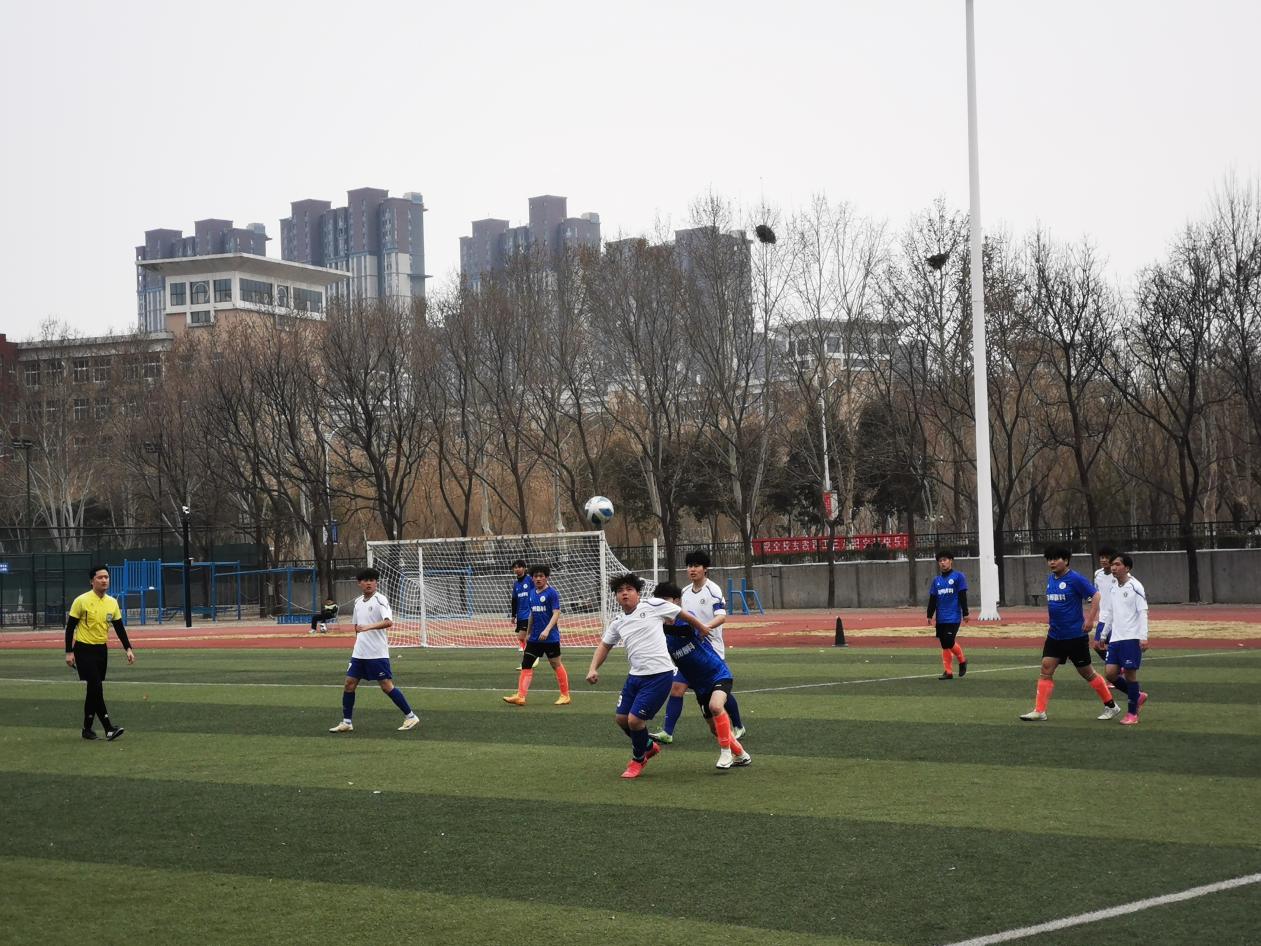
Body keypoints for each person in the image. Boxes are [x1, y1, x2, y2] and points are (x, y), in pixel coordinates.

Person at [586, 573, 713, 779]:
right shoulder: (618, 622)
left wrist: (701, 627)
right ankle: (647, 745)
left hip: (659, 675)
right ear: (616, 596)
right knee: (621, 719)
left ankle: (638, 760)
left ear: (638, 593)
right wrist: (593, 668)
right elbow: (605, 645)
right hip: (635, 676)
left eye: (629, 589)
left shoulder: (653, 605)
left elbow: (680, 613)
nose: (625, 593)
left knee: (635, 721)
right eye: (620, 591)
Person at [650, 549, 744, 744]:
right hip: (689, 649)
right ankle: (667, 732)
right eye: (689, 566)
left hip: (711, 649)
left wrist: (703, 628)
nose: (692, 570)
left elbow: (722, 616)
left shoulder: (713, 590)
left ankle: (737, 726)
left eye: (696, 566)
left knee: (717, 692)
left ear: (705, 569)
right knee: (677, 688)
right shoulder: (683, 593)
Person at [655, 581, 751, 769]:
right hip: (699, 684)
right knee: (714, 728)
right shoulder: (659, 631)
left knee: (716, 706)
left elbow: (686, 631)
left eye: (666, 600)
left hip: (717, 673)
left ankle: (726, 753)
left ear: (677, 602)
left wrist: (657, 627)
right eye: (659, 601)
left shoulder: (687, 619)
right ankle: (741, 754)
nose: (663, 605)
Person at [1020, 546, 1121, 722]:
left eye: (1056, 559)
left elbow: (1096, 596)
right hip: (1055, 635)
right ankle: (1040, 710)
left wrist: (1090, 620)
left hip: (1075, 636)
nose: (1052, 562)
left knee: (1087, 673)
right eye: (1049, 559)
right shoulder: (1051, 579)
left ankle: (1111, 706)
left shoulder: (1075, 579)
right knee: (1046, 668)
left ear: (1066, 560)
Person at [328, 567, 419, 733]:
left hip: (376, 653)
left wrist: (368, 627)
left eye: (372, 580)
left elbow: (388, 622)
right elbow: (357, 626)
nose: (369, 583)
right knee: (349, 684)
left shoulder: (380, 599)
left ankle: (411, 716)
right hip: (359, 653)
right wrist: (359, 639)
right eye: (365, 580)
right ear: (359, 583)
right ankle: (347, 722)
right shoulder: (357, 602)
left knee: (386, 686)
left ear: (376, 582)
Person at [65, 565, 135, 741]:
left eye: (106, 577)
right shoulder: (81, 601)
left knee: (93, 689)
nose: (104, 580)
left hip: (101, 650)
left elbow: (119, 627)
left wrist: (128, 648)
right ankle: (108, 728)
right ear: (92, 581)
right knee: (96, 687)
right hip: (83, 649)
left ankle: (87, 729)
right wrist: (69, 652)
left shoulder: (112, 602)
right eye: (100, 577)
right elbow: (70, 628)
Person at [503, 564, 571, 706]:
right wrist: (528, 633)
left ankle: (565, 695)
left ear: (546, 578)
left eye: (541, 576)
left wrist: (547, 630)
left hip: (550, 637)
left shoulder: (552, 593)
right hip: (534, 637)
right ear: (532, 578)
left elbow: (556, 613)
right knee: (526, 663)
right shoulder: (532, 593)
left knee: (555, 664)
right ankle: (521, 696)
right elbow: (532, 615)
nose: (538, 578)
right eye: (536, 576)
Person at [1098, 553, 1150, 725]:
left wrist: (1143, 637)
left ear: (1127, 568)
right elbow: (1110, 613)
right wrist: (1103, 635)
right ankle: (1138, 696)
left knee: (1130, 675)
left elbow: (1143, 612)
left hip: (1131, 638)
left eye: (1117, 564)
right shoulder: (1114, 587)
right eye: (1112, 564)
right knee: (1111, 674)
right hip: (1115, 639)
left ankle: (1132, 714)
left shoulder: (1135, 586)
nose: (1113, 567)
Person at [926, 549, 969, 679]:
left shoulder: (958, 577)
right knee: (944, 644)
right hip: (941, 617)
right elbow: (933, 599)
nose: (942, 563)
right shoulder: (936, 580)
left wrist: (965, 613)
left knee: (949, 641)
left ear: (951, 561)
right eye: (940, 561)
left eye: (945, 560)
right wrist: (929, 615)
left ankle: (962, 661)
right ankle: (948, 672)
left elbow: (962, 596)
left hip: (953, 616)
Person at [1092, 545, 1118, 657]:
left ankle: (1116, 664)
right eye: (1102, 557)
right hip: (1102, 617)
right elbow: (1097, 591)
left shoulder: (1120, 574)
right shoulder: (1098, 574)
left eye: (1107, 557)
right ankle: (1115, 664)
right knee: (1097, 646)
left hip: (1116, 618)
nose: (1104, 560)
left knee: (1114, 646)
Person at [508, 558, 532, 653]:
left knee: (523, 636)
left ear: (524, 568)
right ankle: (528, 651)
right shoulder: (516, 584)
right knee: (521, 637)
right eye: (515, 567)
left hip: (529, 613)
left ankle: (530, 653)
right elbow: (514, 600)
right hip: (520, 614)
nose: (517, 569)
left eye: (519, 567)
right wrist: (513, 615)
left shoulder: (530, 579)